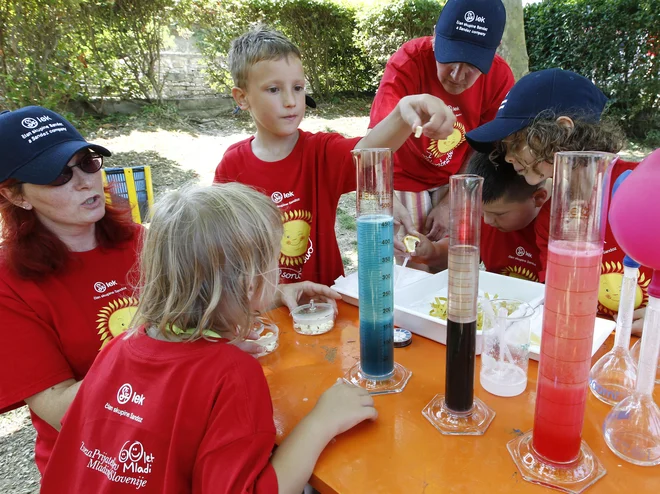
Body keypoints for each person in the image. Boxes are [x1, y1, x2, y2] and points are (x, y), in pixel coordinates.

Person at [41, 183, 378, 493]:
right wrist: (322, 422)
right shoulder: (232, 374)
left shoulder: (119, 346)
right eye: (273, 260)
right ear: (250, 283)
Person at [214, 26, 456, 286]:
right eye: (274, 89)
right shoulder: (232, 167)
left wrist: (404, 112)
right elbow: (221, 251)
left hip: (324, 300)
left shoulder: (320, 151)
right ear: (242, 98)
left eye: (297, 88)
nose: (291, 101)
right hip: (264, 309)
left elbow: (369, 151)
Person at [0, 106, 142, 475]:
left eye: (87, 163)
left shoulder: (142, 241)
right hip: (96, 461)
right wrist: (160, 340)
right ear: (17, 196)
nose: (85, 182)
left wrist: (272, 292)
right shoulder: (10, 283)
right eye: (58, 175)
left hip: (175, 426)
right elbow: (63, 411)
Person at [465, 68, 652, 331]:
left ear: (562, 131)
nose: (507, 157)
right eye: (505, 147)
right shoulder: (550, 220)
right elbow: (554, 302)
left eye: (516, 142)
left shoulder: (644, 190)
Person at [370, 0, 514, 244]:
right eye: (449, 58)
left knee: (449, 253)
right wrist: (385, 199)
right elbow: (376, 143)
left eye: (472, 65)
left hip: (456, 175)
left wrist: (451, 202)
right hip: (404, 174)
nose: (457, 76)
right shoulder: (408, 61)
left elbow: (483, 148)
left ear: (494, 49)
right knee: (414, 257)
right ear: (435, 35)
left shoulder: (500, 77)